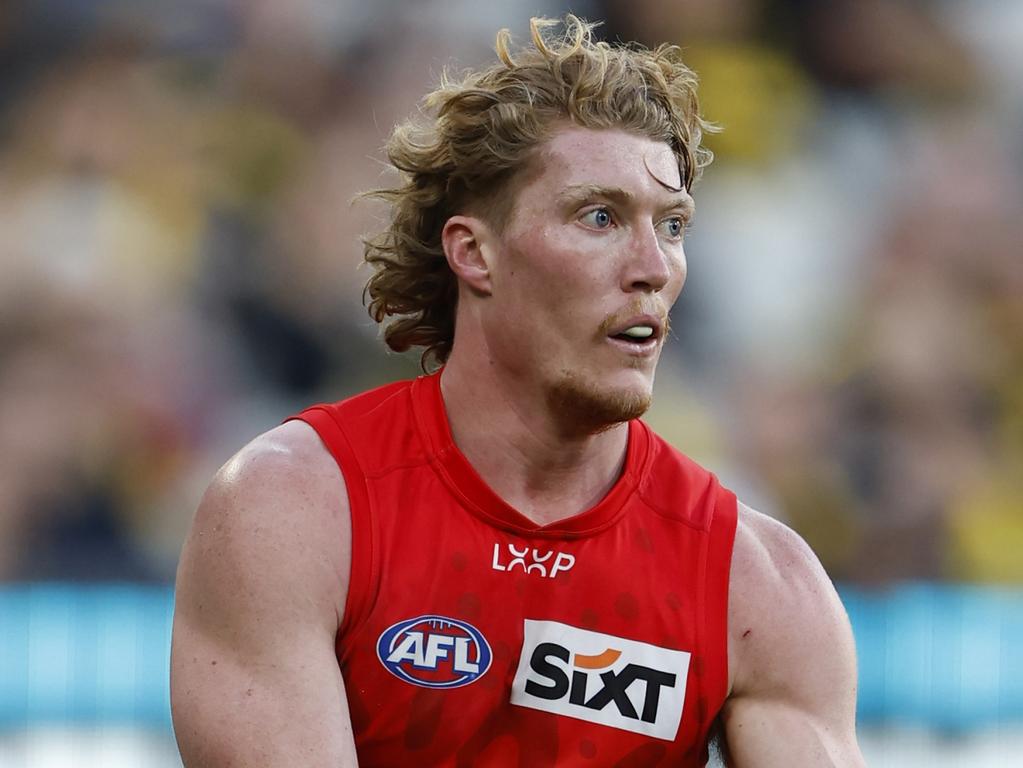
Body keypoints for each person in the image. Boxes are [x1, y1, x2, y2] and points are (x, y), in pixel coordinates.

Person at [170, 15, 865, 767]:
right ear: (474, 253)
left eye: (671, 226)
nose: (652, 266)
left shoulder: (758, 585)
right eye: (599, 217)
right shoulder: (294, 510)